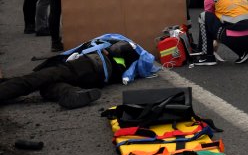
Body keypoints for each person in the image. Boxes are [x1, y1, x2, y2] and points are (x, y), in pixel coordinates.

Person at [0, 36, 153, 109]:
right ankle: (71, 93)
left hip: (87, 65)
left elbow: (118, 48)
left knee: (34, 80)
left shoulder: (122, 46)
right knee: (48, 86)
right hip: (95, 78)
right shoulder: (131, 65)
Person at [192, 0, 248, 65]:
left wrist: (213, 44)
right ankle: (245, 51)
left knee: (204, 16)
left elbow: (209, 24)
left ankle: (206, 56)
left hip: (237, 35)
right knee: (230, 28)